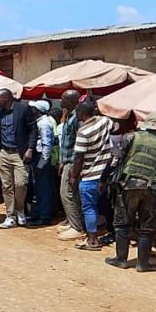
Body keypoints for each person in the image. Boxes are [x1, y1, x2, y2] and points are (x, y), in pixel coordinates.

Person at [105, 113, 156, 272]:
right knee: (147, 226)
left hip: (129, 184)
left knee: (122, 223)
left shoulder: (131, 137)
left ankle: (121, 259)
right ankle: (143, 264)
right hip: (151, 187)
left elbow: (120, 156)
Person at [69, 101, 113, 251]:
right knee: (106, 205)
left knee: (89, 208)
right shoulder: (105, 121)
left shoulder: (83, 132)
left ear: (81, 114)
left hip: (90, 175)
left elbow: (79, 157)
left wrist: (74, 176)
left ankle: (93, 240)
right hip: (107, 173)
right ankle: (109, 233)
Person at [0, 88, 37, 229]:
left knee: (21, 184)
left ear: (6, 98)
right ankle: (10, 216)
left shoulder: (23, 109)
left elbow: (33, 129)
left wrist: (30, 149)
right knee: (6, 186)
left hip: (20, 153)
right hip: (4, 153)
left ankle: (20, 211)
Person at [57, 90, 85, 241]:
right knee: (70, 193)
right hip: (67, 160)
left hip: (73, 162)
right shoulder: (69, 116)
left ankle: (76, 227)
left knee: (66, 193)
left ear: (71, 101)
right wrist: (62, 161)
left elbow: (79, 145)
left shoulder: (77, 118)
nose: (61, 101)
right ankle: (71, 221)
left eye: (63, 98)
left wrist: (74, 167)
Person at [27, 100, 56, 226]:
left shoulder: (44, 123)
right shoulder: (39, 122)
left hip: (41, 158)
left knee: (43, 188)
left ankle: (44, 216)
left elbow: (47, 145)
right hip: (38, 157)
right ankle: (37, 213)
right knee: (38, 187)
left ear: (37, 110)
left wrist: (41, 164)